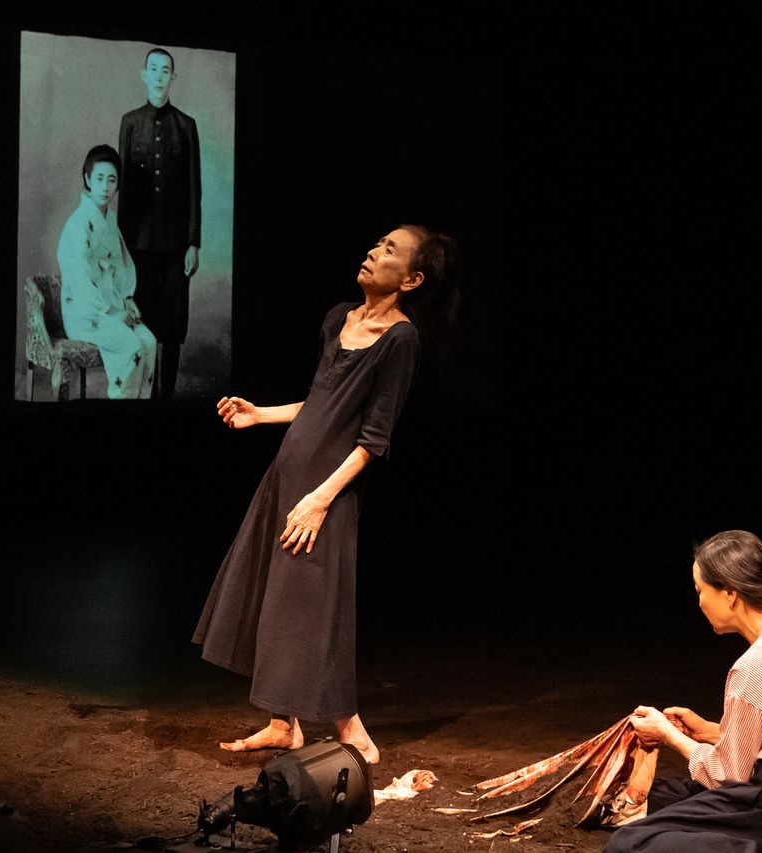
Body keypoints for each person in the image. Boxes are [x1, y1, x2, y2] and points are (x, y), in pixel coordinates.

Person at [192, 225, 459, 765]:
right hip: (287, 474)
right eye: (377, 243)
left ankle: (351, 728)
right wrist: (259, 414)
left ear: (411, 279)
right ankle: (282, 724)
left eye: (389, 249)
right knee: (277, 595)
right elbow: (317, 403)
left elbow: (373, 440)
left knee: (316, 605)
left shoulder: (401, 340)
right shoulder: (338, 318)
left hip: (327, 490)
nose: (372, 251)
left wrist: (322, 499)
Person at [605, 530, 762, 853]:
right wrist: (708, 732)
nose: (698, 602)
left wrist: (670, 736)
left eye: (700, 590)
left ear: (729, 594)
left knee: (628, 843)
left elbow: (726, 775)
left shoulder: (755, 665)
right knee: (657, 798)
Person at [118, 47, 201, 399]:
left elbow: (194, 188)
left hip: (176, 246)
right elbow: (123, 189)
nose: (158, 76)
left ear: (172, 77)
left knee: (173, 327)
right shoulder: (130, 122)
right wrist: (121, 248)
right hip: (137, 244)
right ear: (144, 74)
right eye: (153, 69)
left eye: (165, 70)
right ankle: (145, 397)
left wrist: (193, 243)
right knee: (143, 322)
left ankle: (166, 399)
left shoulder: (186, 126)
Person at [56, 144, 157, 399]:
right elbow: (79, 280)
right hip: (84, 312)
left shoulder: (109, 219)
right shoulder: (78, 224)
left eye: (111, 180)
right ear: (87, 179)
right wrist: (112, 312)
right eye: (99, 178)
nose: (105, 187)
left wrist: (127, 298)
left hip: (112, 305)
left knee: (149, 342)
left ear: (117, 184)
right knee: (130, 345)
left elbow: (121, 262)